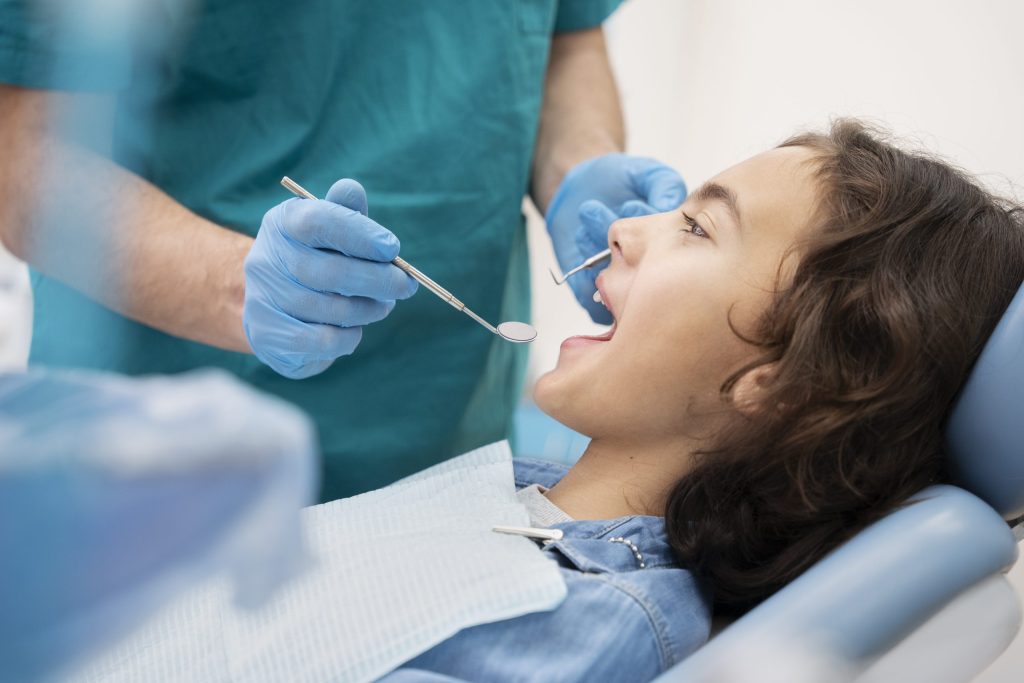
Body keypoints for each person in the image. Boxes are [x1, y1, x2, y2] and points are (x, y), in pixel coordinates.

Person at [377, 120, 1024, 681]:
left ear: (780, 382)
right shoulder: (524, 491)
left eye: (695, 226)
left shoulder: (593, 620)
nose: (623, 229)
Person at [0, 0, 685, 501]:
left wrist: (578, 172)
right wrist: (238, 284)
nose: (638, 238)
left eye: (701, 230)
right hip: (160, 466)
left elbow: (565, 36)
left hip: (450, 442)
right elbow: (23, 152)